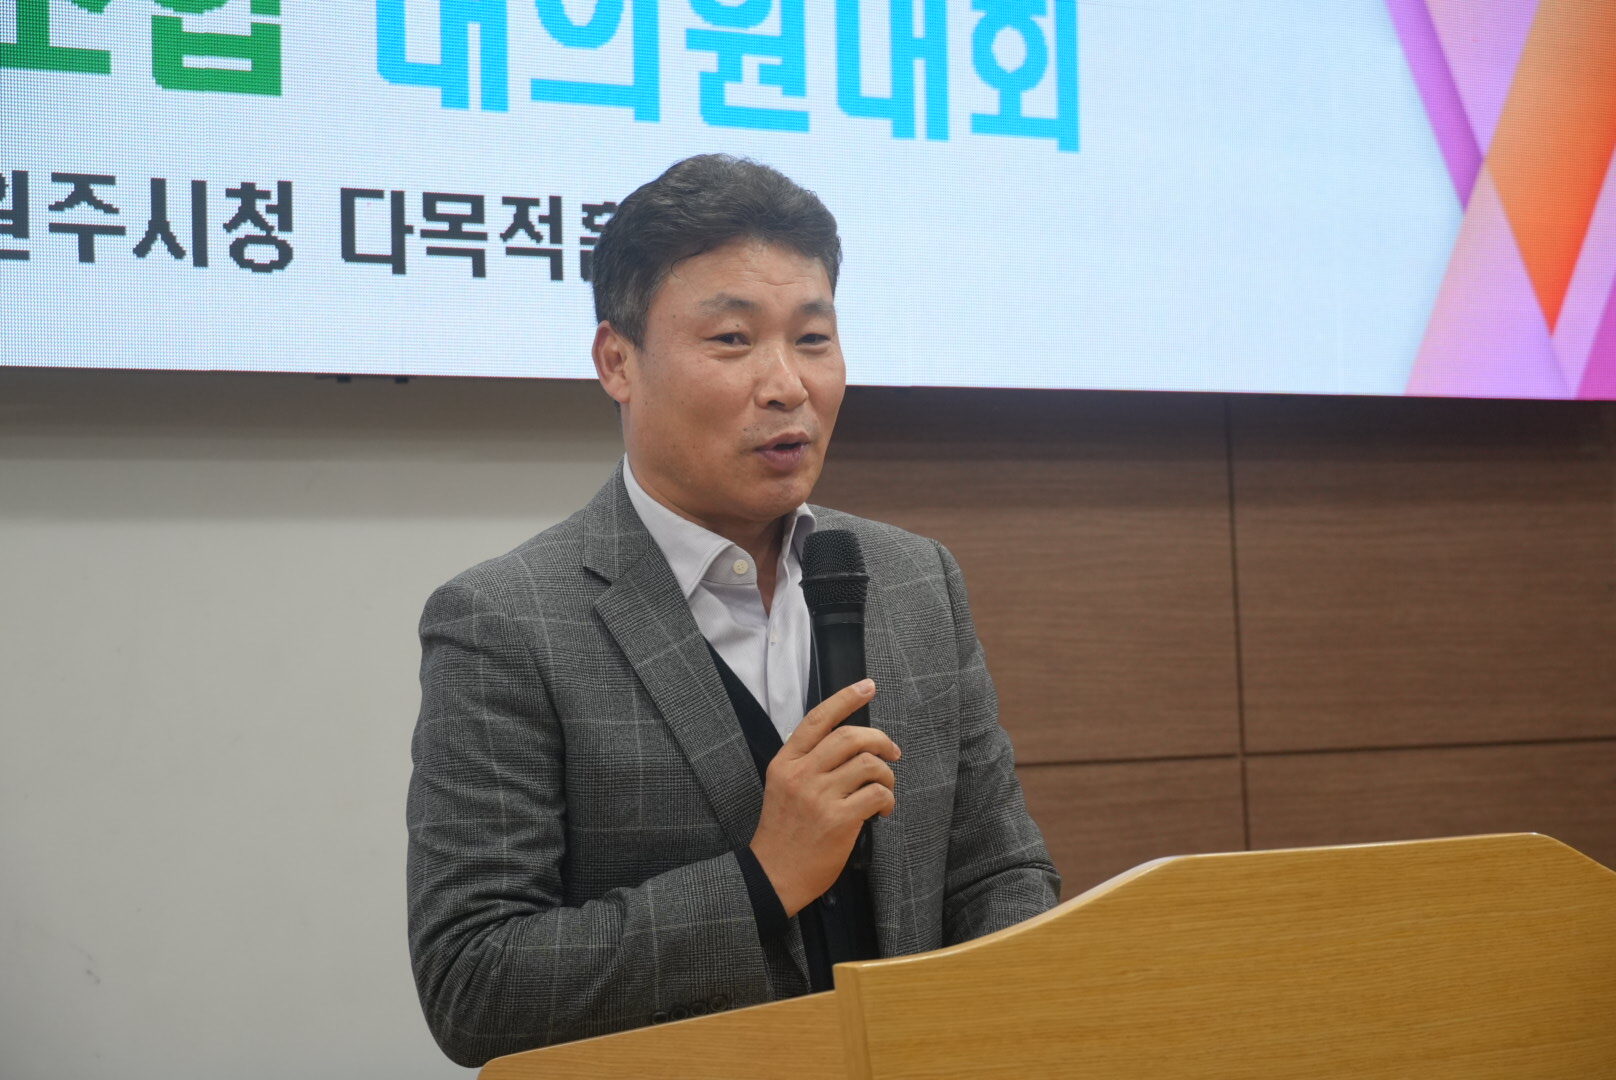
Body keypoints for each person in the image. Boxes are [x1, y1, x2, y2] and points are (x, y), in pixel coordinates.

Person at [406, 154, 1059, 1068]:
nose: (787, 384)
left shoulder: (914, 580)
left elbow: (1001, 871)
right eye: (732, 340)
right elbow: (474, 986)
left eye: (813, 339)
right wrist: (761, 880)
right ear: (617, 362)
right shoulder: (507, 622)